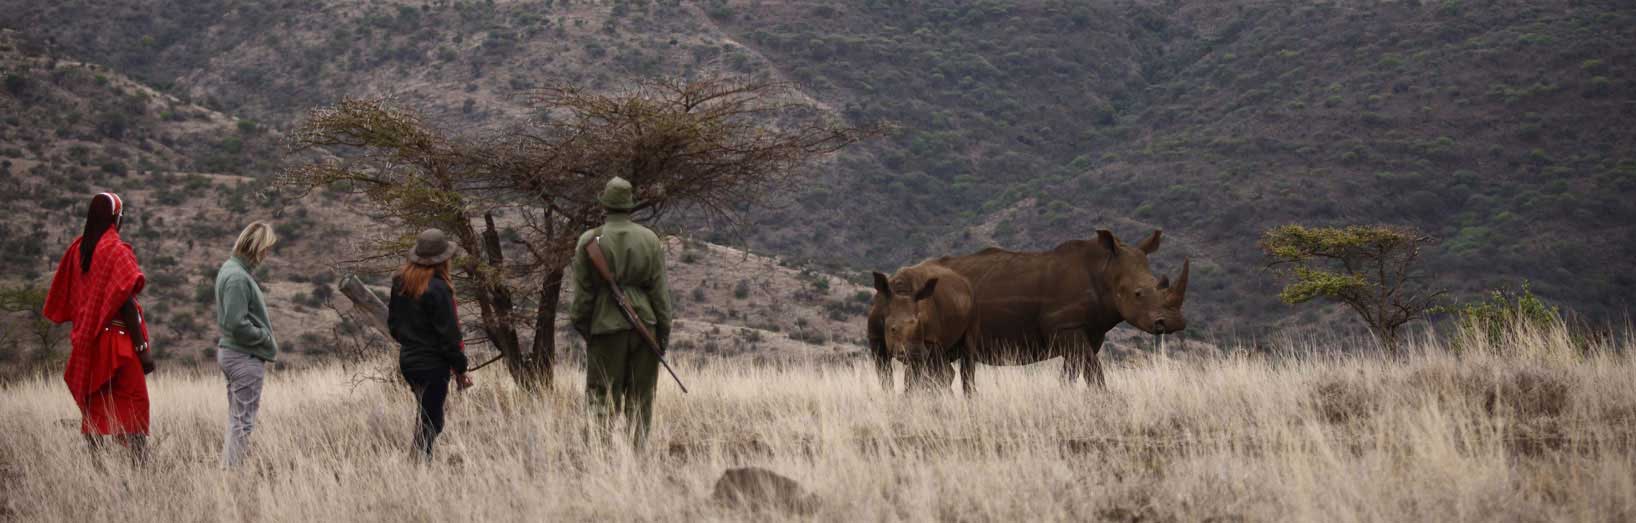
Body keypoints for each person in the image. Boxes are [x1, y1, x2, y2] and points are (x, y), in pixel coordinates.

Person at [43, 192, 155, 461]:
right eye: (121, 215)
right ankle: (139, 465)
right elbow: (125, 300)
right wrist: (142, 348)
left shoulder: (78, 250)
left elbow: (68, 296)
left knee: (95, 404)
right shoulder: (115, 250)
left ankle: (97, 467)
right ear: (116, 217)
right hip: (118, 341)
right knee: (135, 402)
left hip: (88, 342)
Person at [570, 177, 673, 447]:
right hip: (645, 327)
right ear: (630, 206)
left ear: (605, 205)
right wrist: (661, 334)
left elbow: (581, 300)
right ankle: (637, 459)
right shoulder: (650, 239)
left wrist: (588, 331)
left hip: (605, 329)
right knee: (641, 399)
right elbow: (661, 296)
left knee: (601, 396)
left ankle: (600, 459)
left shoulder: (589, 240)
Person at [387, 228, 472, 461]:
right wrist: (461, 368)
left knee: (426, 416)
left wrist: (412, 342)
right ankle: (418, 466)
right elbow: (450, 336)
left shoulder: (400, 282)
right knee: (433, 421)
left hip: (408, 361)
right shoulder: (439, 289)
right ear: (443, 260)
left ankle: (419, 464)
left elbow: (393, 325)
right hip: (432, 365)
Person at [213, 222, 279, 468]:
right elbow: (235, 323)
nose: (267, 255)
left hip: (233, 354)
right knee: (243, 422)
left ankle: (229, 471)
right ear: (257, 247)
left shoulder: (231, 270)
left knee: (237, 419)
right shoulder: (237, 277)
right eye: (266, 249)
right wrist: (263, 336)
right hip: (243, 356)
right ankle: (232, 473)